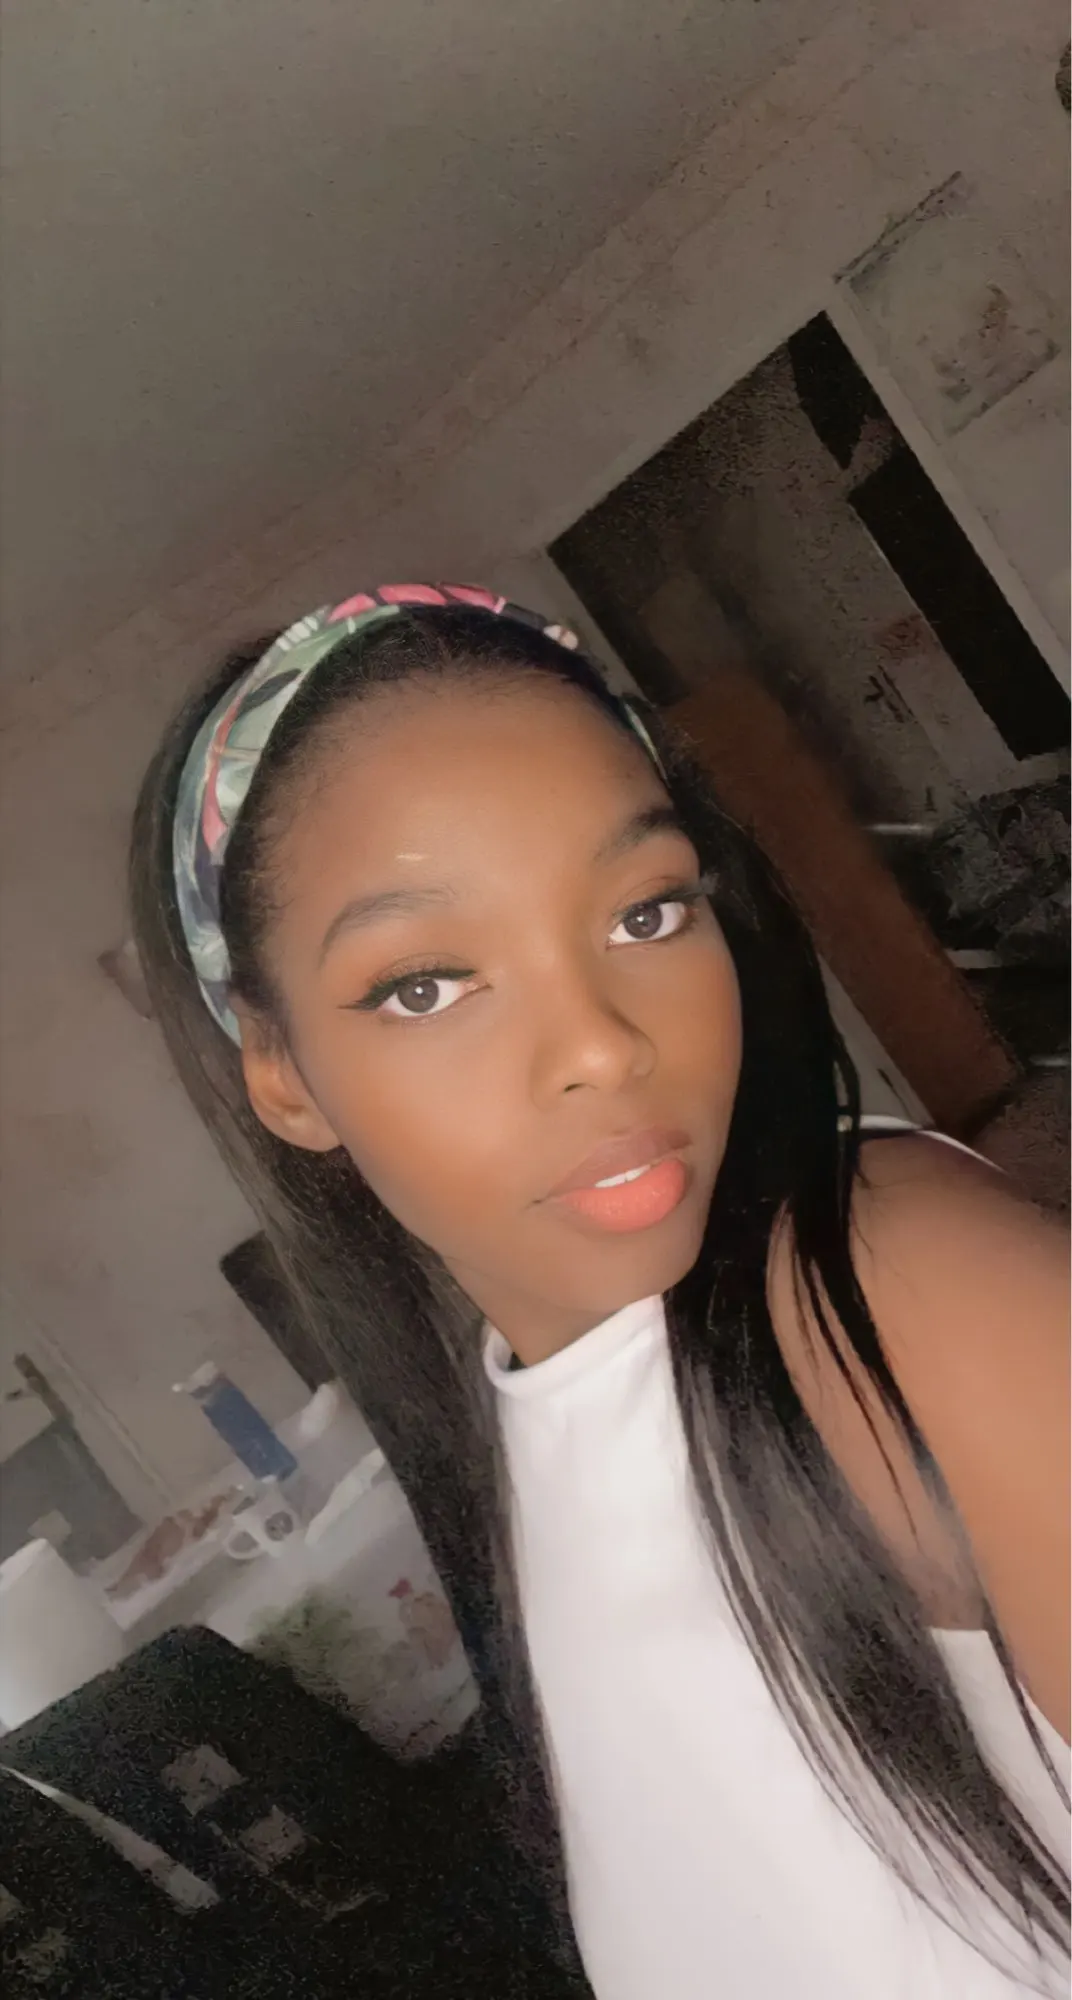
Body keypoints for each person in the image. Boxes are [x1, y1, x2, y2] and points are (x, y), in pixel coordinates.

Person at [131, 582, 1070, 1997]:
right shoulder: (521, 1442)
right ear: (282, 1073)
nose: (601, 1048)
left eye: (646, 911)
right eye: (427, 984)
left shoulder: (896, 1297)